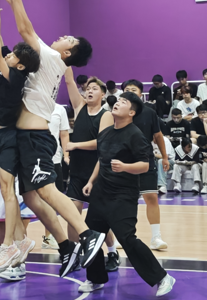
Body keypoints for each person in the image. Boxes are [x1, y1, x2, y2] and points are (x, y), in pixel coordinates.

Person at [0, 0, 106, 277]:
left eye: (67, 39)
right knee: (31, 196)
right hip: (26, 137)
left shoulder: (49, 56)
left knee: (46, 190)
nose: (61, 36)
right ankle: (65, 247)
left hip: (35, 137)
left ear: (67, 51)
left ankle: (87, 235)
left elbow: (25, 29)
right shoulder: (52, 60)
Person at [80, 93, 176, 296]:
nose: (117, 103)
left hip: (123, 196)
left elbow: (145, 165)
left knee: (127, 239)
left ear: (132, 112)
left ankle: (162, 277)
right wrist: (91, 181)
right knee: (92, 238)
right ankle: (95, 279)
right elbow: (102, 160)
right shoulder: (106, 133)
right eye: (118, 101)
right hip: (100, 194)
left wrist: (125, 167)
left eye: (123, 102)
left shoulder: (135, 135)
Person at [0, 0, 41, 277]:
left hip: (7, 138)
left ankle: (9, 245)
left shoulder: (15, 77)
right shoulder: (9, 65)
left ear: (21, 66)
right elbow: (0, 42)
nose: (9, 55)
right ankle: (21, 241)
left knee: (7, 190)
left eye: (14, 56)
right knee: (4, 192)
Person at [63, 71, 112, 246]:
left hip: (96, 171)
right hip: (77, 170)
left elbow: (101, 142)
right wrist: (66, 60)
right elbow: (69, 81)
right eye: (88, 88)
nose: (89, 91)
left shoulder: (106, 115)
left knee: (99, 217)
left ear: (103, 94)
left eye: (94, 88)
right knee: (72, 214)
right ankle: (74, 251)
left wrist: (75, 145)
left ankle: (111, 250)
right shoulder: (79, 107)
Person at [121, 79, 170, 251]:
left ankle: (156, 237)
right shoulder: (116, 113)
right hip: (123, 161)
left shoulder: (149, 112)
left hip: (145, 160)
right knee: (125, 200)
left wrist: (165, 157)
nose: (130, 92)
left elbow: (158, 136)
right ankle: (124, 236)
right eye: (127, 90)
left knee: (151, 197)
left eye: (133, 90)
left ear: (141, 94)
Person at [42, 103, 71, 250]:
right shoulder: (30, 105)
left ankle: (48, 237)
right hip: (34, 160)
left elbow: (64, 134)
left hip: (54, 160)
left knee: (52, 200)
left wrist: (66, 155)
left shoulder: (60, 110)